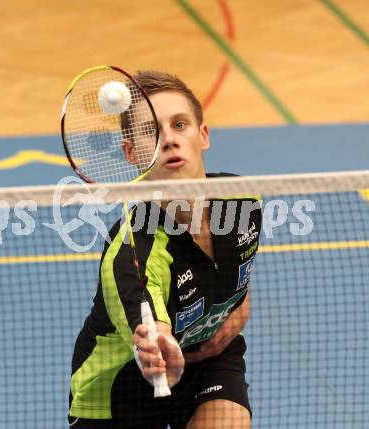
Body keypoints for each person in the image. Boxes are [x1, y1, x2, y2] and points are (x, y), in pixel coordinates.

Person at [68, 70, 261, 428]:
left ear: (203, 136)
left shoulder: (243, 201)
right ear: (130, 153)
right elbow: (150, 325)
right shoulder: (132, 251)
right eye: (150, 132)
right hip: (121, 388)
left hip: (207, 363)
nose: (169, 140)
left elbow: (237, 271)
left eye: (180, 125)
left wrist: (240, 305)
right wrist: (157, 343)